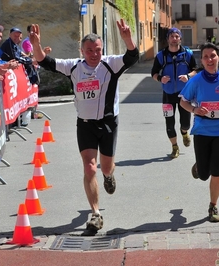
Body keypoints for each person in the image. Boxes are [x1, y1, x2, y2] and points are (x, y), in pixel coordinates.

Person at [29, 19, 139, 234]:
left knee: (106, 168)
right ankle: (96, 214)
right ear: (82, 51)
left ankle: (108, 177)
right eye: (89, 50)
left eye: (97, 50)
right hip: (85, 125)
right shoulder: (74, 66)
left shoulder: (110, 64)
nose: (94, 54)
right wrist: (36, 45)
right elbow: (46, 62)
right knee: (89, 168)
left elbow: (132, 57)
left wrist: (128, 40)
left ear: (102, 49)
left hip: (108, 123)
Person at [179, 42, 219, 222]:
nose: (209, 59)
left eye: (213, 56)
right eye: (206, 56)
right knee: (204, 175)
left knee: (217, 172)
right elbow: (183, 101)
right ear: (202, 60)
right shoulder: (196, 81)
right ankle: (199, 166)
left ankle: (213, 207)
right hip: (201, 129)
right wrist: (194, 110)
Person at [151, 27, 198, 158]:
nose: (174, 38)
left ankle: (184, 133)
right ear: (167, 39)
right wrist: (161, 78)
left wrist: (188, 76)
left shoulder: (187, 54)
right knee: (169, 123)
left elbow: (196, 70)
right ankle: (174, 146)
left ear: (180, 39)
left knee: (186, 123)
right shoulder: (161, 56)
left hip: (184, 94)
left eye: (177, 36)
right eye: (172, 36)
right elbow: (153, 73)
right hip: (168, 94)